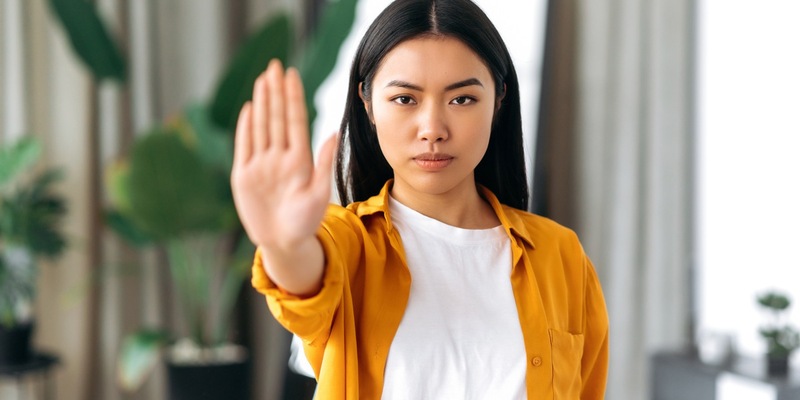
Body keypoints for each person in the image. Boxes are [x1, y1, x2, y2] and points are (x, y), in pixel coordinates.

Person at [231, 0, 609, 398]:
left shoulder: (561, 255)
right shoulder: (347, 243)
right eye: (405, 99)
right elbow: (303, 280)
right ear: (367, 103)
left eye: (462, 99)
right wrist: (285, 245)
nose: (432, 129)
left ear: (498, 100)